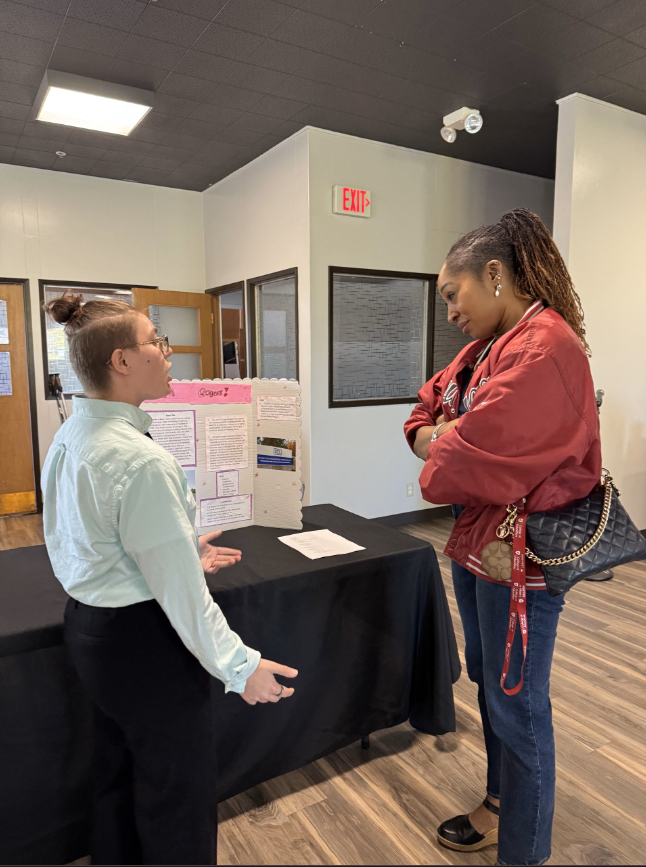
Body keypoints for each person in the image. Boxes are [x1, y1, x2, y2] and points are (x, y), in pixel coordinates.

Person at [41, 293, 298, 866]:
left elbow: (80, 539)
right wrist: (240, 667)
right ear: (122, 362)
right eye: (155, 340)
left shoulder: (71, 434)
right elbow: (184, 599)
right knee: (175, 794)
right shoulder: (140, 460)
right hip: (142, 645)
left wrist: (179, 550)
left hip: (90, 632)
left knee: (117, 774)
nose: (169, 350)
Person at [404, 209, 601, 866]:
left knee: (517, 703)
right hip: (477, 544)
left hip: (524, 558)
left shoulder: (547, 348)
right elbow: (425, 405)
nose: (450, 312)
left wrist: (442, 441)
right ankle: (498, 803)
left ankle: (525, 851)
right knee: (491, 682)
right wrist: (437, 434)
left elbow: (459, 457)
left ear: (494, 274)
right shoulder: (489, 345)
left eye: (451, 295)